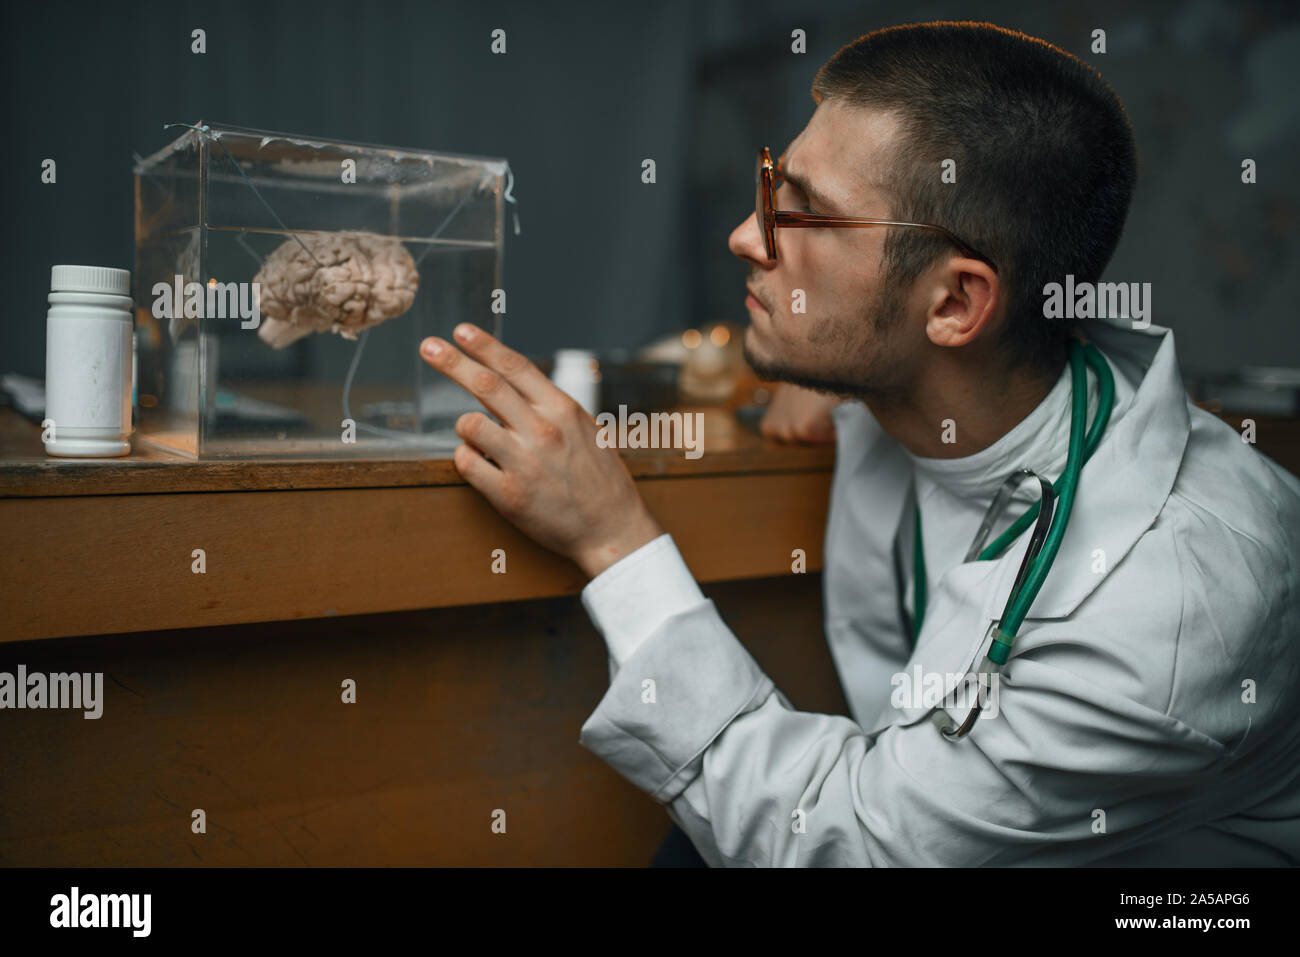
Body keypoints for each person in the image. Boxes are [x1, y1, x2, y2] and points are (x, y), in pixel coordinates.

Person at [417, 21, 1300, 866]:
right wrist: (826, 362)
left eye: (800, 218)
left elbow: (846, 845)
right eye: (775, 185)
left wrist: (612, 538)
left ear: (956, 304)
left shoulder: (1175, 600)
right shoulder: (948, 378)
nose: (742, 236)